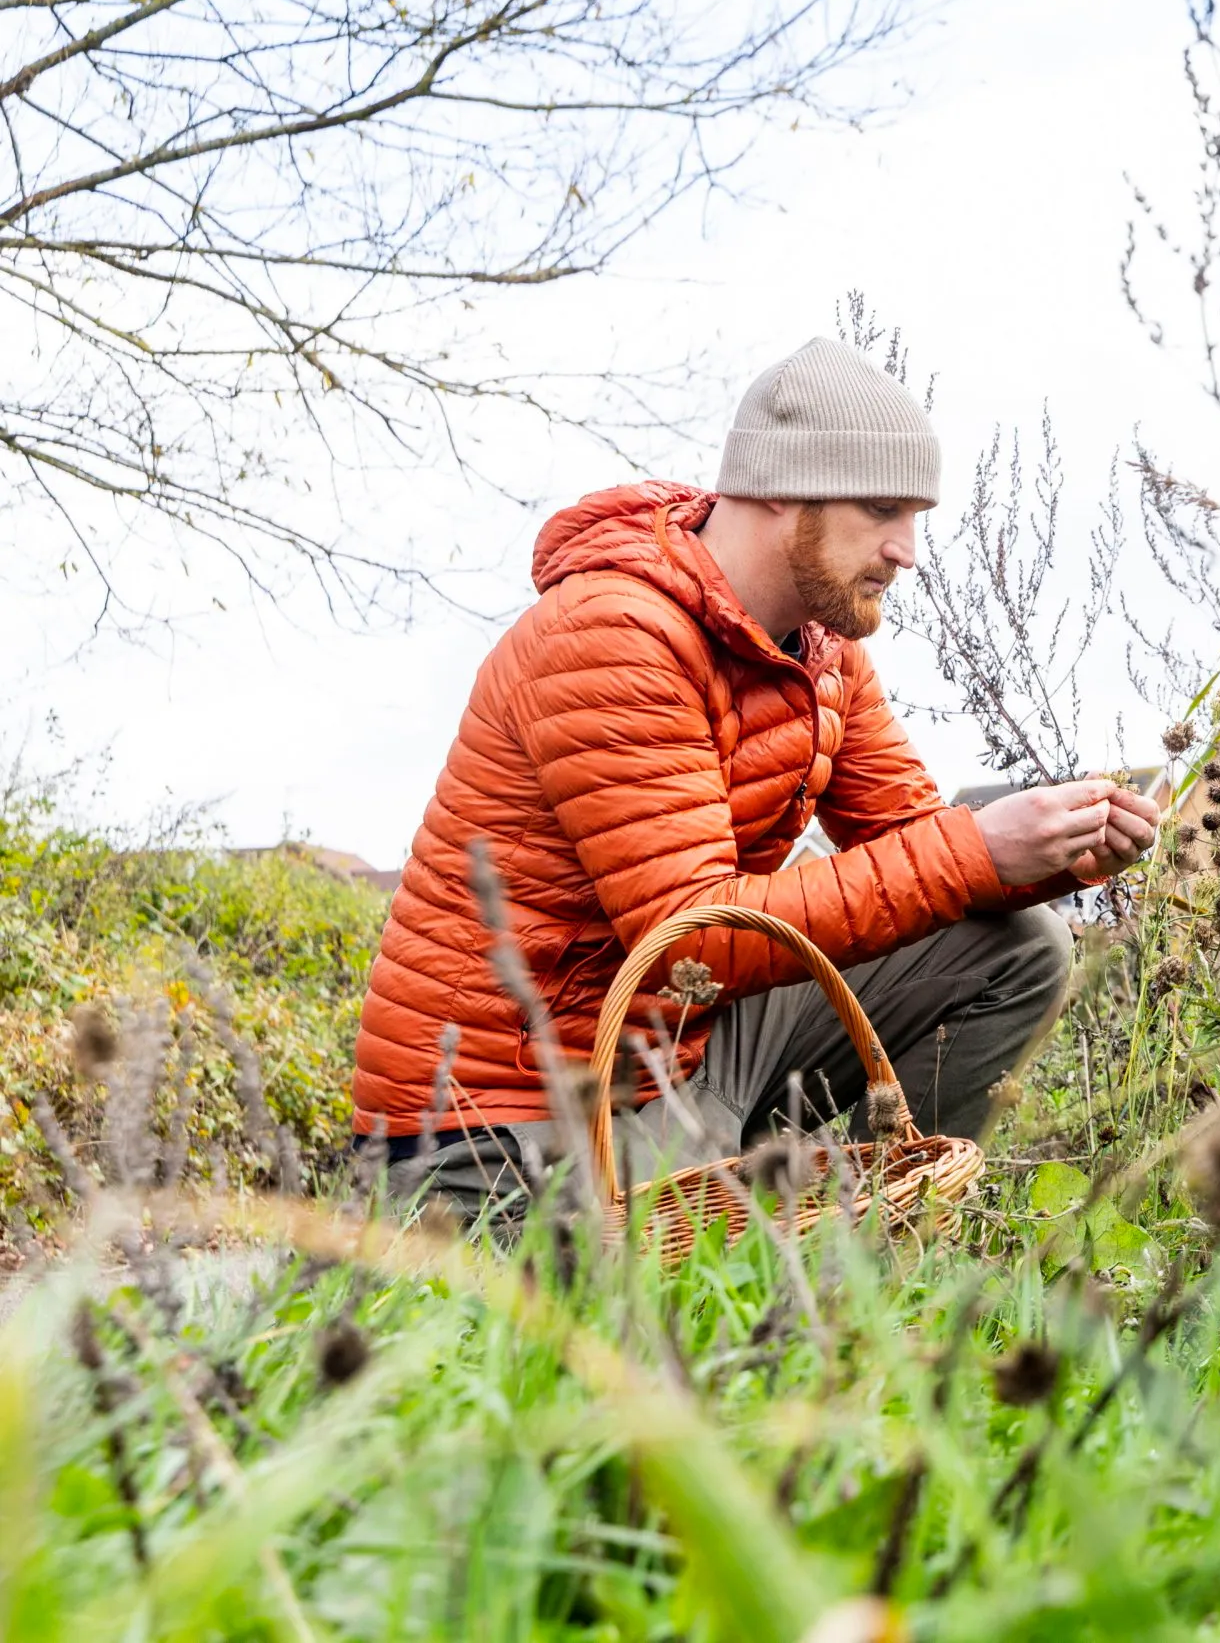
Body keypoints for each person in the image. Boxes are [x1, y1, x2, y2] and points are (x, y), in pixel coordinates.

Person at [352, 338, 1160, 1220]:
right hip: (503, 1126)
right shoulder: (610, 635)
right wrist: (976, 848)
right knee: (686, 1312)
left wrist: (1060, 853)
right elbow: (690, 938)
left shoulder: (824, 654)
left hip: (679, 1053)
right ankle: (743, 1232)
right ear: (781, 486)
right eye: (883, 508)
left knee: (1020, 946)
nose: (908, 550)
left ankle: (903, 1235)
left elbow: (916, 852)